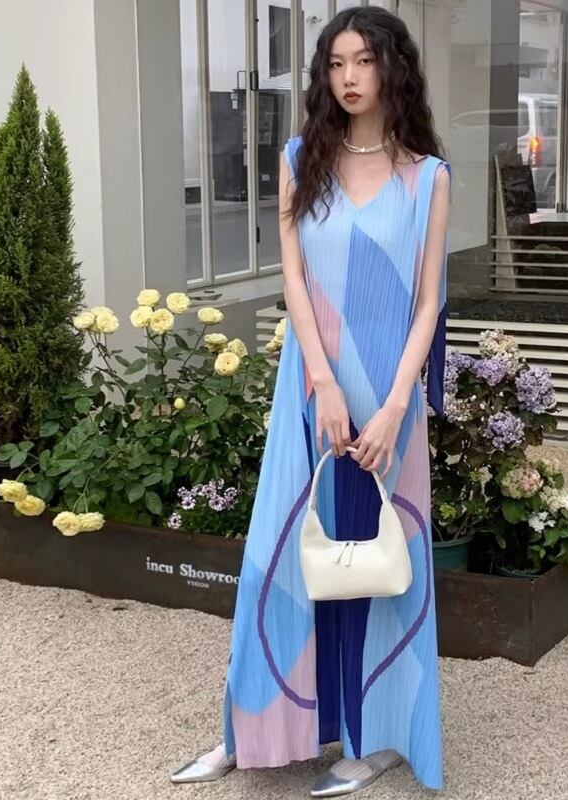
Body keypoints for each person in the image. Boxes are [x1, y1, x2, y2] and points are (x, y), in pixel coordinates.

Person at [170, 5, 451, 796]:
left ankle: (372, 738)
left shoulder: (428, 176)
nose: (349, 77)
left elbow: (428, 303)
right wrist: (323, 382)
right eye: (335, 63)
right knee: (281, 559)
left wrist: (395, 407)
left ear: (393, 67)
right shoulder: (302, 159)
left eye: (363, 61)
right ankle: (250, 729)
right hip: (311, 388)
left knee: (380, 564)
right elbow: (292, 276)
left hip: (390, 397)